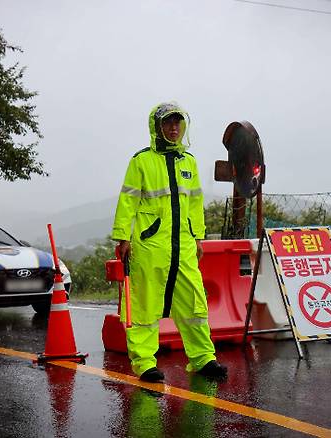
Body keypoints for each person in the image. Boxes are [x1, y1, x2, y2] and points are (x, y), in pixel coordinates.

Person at [111, 102, 228, 382]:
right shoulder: (141, 161)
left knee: (194, 304)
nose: (174, 128)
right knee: (144, 305)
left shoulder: (189, 161)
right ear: (157, 127)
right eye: (168, 123)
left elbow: (195, 203)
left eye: (177, 123)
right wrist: (122, 236)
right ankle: (144, 363)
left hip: (184, 247)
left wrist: (197, 236)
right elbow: (128, 200)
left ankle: (203, 359)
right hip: (150, 245)